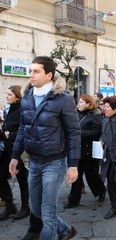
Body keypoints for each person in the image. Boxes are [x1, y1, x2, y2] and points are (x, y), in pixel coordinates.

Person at [9, 56, 81, 240]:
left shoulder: (63, 100)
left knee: (47, 212)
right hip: (33, 162)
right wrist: (15, 156)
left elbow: (73, 133)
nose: (30, 74)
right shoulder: (26, 98)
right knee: (36, 209)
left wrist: (73, 165)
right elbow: (23, 130)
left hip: (54, 163)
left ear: (49, 75)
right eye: (30, 70)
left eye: (36, 71)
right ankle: (65, 230)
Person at [64, 94, 106, 209]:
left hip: (89, 153)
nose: (78, 104)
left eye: (81, 102)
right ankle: (73, 200)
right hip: (76, 151)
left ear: (88, 104)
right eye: (79, 102)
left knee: (91, 176)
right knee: (76, 178)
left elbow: (96, 133)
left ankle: (101, 191)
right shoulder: (75, 114)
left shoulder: (95, 116)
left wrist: (79, 133)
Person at [0, 86, 30, 221]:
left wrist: (10, 135)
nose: (6, 96)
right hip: (7, 150)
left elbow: (27, 131)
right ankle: (10, 204)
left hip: (19, 151)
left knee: (22, 179)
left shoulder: (21, 111)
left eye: (9, 94)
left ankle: (25, 208)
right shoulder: (10, 110)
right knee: (1, 176)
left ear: (17, 97)